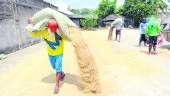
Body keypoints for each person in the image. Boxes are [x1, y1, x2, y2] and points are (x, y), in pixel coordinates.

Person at [28, 18, 65, 94]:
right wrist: (30, 25)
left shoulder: (61, 32)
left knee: (57, 67)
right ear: (48, 27)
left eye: (55, 29)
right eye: (52, 29)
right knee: (55, 66)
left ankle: (57, 85)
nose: (53, 31)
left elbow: (68, 36)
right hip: (50, 53)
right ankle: (62, 73)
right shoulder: (44, 31)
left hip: (59, 53)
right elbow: (33, 33)